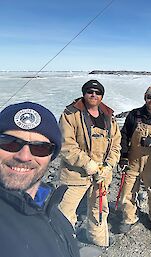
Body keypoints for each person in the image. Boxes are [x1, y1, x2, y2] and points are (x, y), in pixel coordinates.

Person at [0, 101, 79, 257]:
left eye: (40, 148)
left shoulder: (51, 208)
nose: (24, 157)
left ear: (51, 156)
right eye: (9, 143)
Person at [58, 80, 121, 247]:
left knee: (99, 211)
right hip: (75, 174)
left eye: (98, 92)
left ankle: (99, 243)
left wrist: (108, 166)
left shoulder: (109, 117)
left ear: (102, 96)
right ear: (84, 93)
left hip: (101, 176)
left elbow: (116, 145)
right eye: (90, 91)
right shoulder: (70, 115)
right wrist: (88, 164)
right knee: (64, 212)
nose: (94, 95)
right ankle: (64, 246)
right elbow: (66, 145)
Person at [118, 85, 151, 233]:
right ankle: (129, 217)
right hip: (133, 160)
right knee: (127, 191)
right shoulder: (134, 115)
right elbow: (124, 136)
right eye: (150, 97)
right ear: (145, 97)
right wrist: (123, 156)